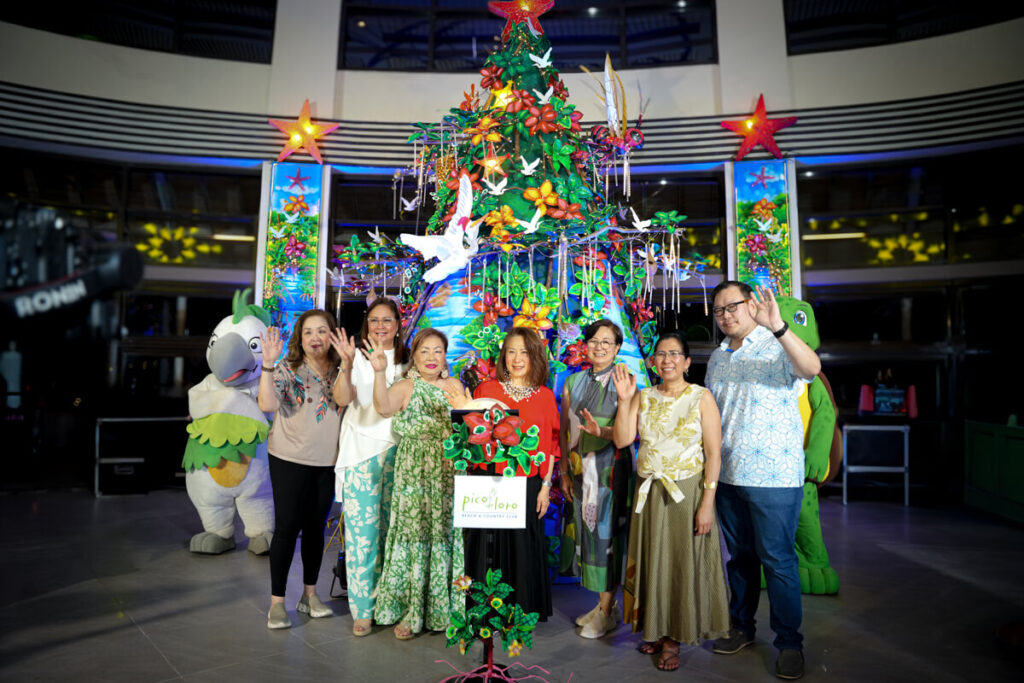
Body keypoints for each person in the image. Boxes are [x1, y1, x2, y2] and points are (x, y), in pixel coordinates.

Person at [705, 281, 822, 681]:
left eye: (733, 306)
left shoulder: (777, 343)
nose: (726, 315)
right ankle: (742, 628)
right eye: (719, 310)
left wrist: (780, 328)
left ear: (750, 305)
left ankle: (789, 644)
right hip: (729, 478)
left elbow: (812, 369)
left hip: (774, 476)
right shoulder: (717, 358)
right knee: (740, 560)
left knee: (779, 562)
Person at [612, 332, 729, 671]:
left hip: (686, 491)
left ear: (687, 362)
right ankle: (653, 628)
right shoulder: (643, 396)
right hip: (647, 492)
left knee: (677, 563)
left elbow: (714, 454)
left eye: (675, 354)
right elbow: (622, 440)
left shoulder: (701, 397)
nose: (667, 360)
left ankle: (673, 637)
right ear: (652, 361)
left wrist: (707, 501)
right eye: (661, 354)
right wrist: (624, 401)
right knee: (652, 560)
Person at [368, 328, 470, 639]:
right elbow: (383, 408)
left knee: (445, 535)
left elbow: (474, 424)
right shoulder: (406, 385)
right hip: (415, 470)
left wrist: (464, 406)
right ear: (414, 355)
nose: (431, 357)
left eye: (437, 351)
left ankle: (447, 610)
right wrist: (379, 372)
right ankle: (411, 610)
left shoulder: (455, 385)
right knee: (414, 534)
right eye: (424, 350)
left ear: (445, 356)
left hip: (450, 469)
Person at [464, 326, 558, 620]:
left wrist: (545, 487)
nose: (517, 359)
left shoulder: (544, 396)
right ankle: (481, 610)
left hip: (526, 482)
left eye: (525, 352)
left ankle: (519, 611)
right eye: (512, 352)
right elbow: (469, 435)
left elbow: (551, 445)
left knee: (521, 545)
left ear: (535, 357)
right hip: (487, 481)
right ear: (503, 356)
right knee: (483, 544)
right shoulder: (486, 390)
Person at [257, 309, 343, 630]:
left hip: (327, 462)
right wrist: (268, 363)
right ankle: (276, 603)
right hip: (288, 459)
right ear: (300, 337)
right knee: (287, 528)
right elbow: (266, 404)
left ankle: (309, 596)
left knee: (316, 528)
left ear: (332, 335)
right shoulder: (287, 369)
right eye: (308, 332)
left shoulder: (339, 370)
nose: (315, 338)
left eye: (322, 331)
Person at [329, 298, 409, 636]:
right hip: (361, 453)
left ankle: (394, 605)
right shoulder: (355, 357)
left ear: (398, 323)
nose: (380, 326)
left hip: (402, 455)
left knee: (396, 535)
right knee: (362, 538)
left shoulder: (411, 359)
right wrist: (346, 366)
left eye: (387, 320)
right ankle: (363, 608)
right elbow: (343, 399)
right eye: (374, 320)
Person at [558, 318, 634, 639]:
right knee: (588, 536)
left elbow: (627, 434)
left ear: (617, 348)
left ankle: (606, 610)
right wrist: (563, 469)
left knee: (607, 539)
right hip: (579, 470)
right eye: (594, 341)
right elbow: (564, 430)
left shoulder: (628, 383)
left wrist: (602, 429)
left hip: (610, 470)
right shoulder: (572, 382)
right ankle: (605, 604)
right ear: (585, 345)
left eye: (607, 342)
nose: (599, 347)